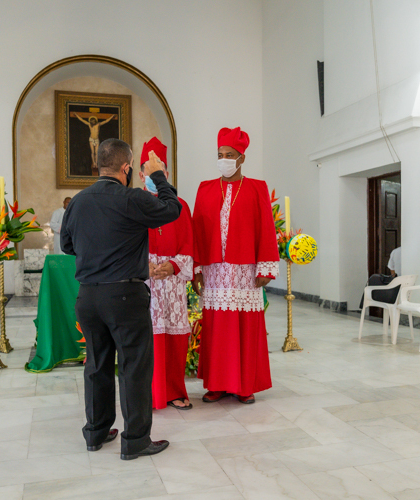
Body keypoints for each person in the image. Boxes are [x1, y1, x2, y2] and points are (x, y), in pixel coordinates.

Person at [60, 138, 181, 460]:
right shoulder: (132, 198)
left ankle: (96, 433)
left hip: (88, 295)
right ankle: (136, 440)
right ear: (126, 167)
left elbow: (67, 247)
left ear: (99, 164)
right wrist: (158, 176)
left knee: (97, 365)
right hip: (124, 295)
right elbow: (172, 209)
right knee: (134, 368)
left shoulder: (78, 202)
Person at [191, 127, 279, 404]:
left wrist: (266, 267)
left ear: (241, 158)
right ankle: (216, 384)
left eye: (229, 155)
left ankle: (244, 385)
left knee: (244, 326)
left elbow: (266, 226)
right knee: (217, 328)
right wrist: (196, 268)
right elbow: (197, 230)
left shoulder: (257, 187)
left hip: (245, 270)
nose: (224, 159)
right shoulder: (205, 189)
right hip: (215, 271)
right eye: (220, 154)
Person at [138, 137, 194, 410]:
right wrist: (142, 264)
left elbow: (188, 244)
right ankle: (148, 393)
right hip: (143, 283)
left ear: (166, 175)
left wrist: (173, 265)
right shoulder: (133, 203)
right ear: (140, 174)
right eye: (147, 171)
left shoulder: (179, 205)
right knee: (146, 338)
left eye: (158, 170)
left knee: (174, 337)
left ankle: (173, 389)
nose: (151, 176)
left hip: (171, 283)